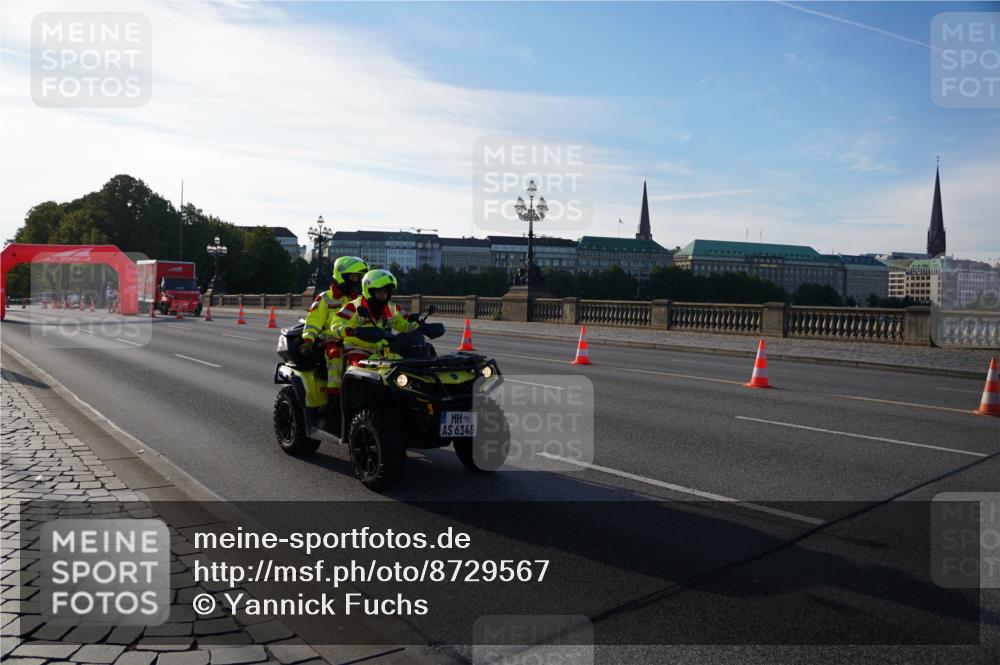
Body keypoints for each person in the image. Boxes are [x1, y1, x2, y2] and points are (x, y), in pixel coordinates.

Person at [299, 256, 369, 396]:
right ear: (342, 275)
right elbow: (313, 322)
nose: (356, 280)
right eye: (353, 276)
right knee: (335, 355)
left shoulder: (359, 300)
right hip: (331, 339)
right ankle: (333, 396)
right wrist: (308, 340)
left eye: (358, 277)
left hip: (353, 339)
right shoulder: (324, 298)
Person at [330, 269, 419, 369]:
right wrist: (350, 331)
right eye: (379, 292)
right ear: (369, 291)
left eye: (385, 292)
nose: (383, 296)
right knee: (357, 370)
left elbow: (405, 323)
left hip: (383, 351)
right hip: (357, 349)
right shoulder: (353, 306)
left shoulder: (391, 308)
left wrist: (419, 326)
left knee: (405, 367)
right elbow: (336, 324)